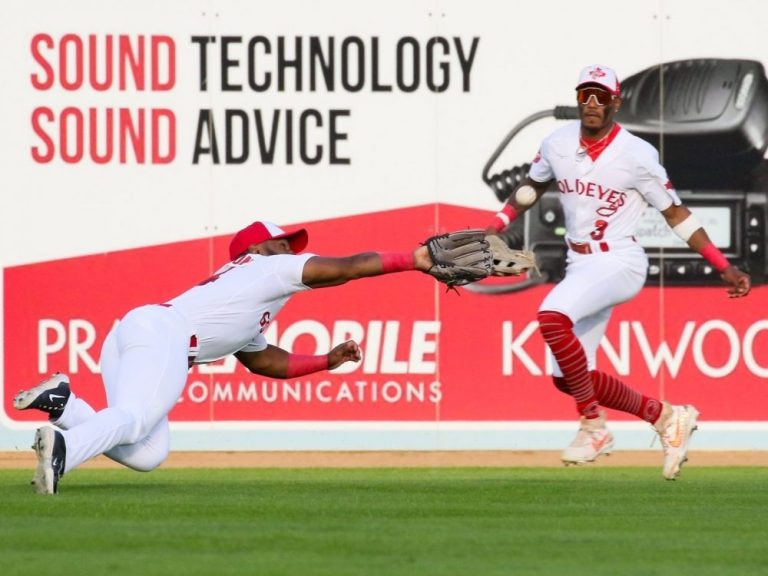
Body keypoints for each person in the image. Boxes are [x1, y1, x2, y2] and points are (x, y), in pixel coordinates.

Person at [14, 220, 442, 494]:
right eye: (281, 244)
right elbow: (350, 266)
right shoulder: (267, 268)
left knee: (147, 453)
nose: (290, 252)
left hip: (136, 332)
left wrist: (325, 362)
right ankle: (64, 453)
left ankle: (64, 405)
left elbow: (263, 361)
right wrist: (413, 259)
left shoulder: (250, 297)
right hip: (165, 333)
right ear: (255, 250)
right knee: (135, 419)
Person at [484, 65, 751, 479]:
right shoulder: (556, 142)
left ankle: (594, 428)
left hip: (619, 260)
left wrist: (722, 265)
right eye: (585, 95)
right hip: (580, 263)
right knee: (569, 378)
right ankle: (666, 418)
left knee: (552, 317)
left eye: (600, 95)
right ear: (578, 99)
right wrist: (497, 224)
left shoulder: (637, 154)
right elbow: (530, 187)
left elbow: (676, 214)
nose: (592, 103)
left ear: (616, 102)